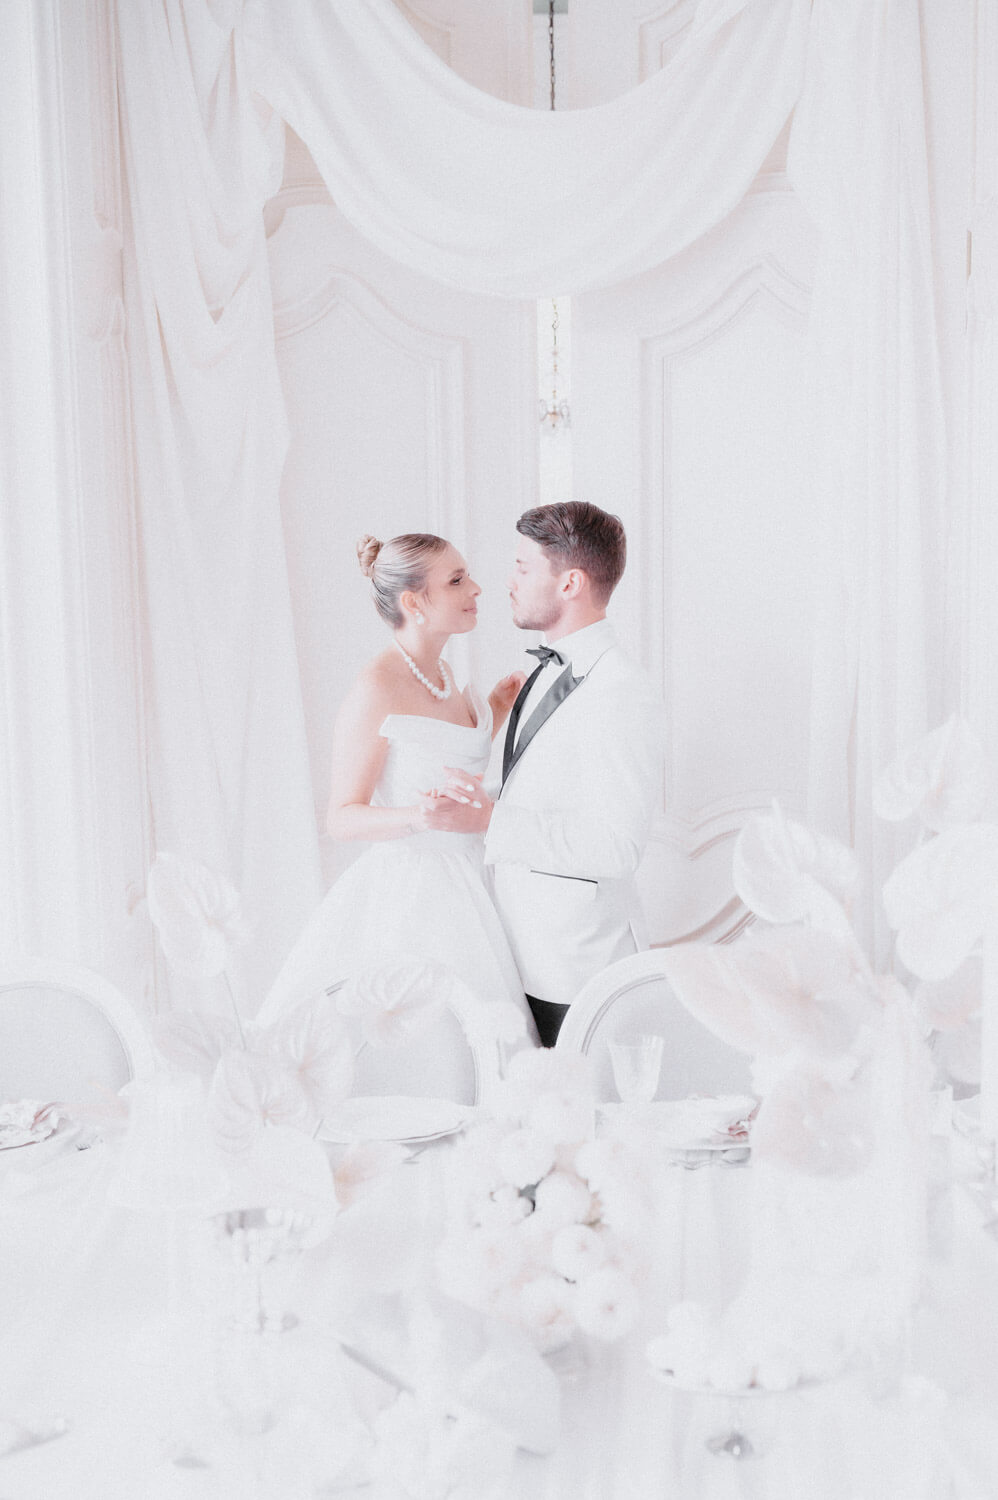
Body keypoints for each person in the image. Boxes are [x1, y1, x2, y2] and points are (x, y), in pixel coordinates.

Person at [257, 532, 539, 1051]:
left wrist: (496, 710)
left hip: (474, 879)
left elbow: (441, 763)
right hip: (414, 896)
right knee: (425, 1044)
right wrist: (417, 817)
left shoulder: (441, 671)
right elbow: (341, 817)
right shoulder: (376, 687)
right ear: (414, 603)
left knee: (486, 1043)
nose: (476, 588)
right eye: (456, 581)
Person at [437, 502, 664, 1047]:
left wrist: (490, 820)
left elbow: (617, 846)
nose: (508, 581)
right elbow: (543, 790)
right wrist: (473, 798)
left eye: (523, 567)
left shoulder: (621, 691)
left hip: (577, 966)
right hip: (519, 951)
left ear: (570, 583)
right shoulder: (545, 668)